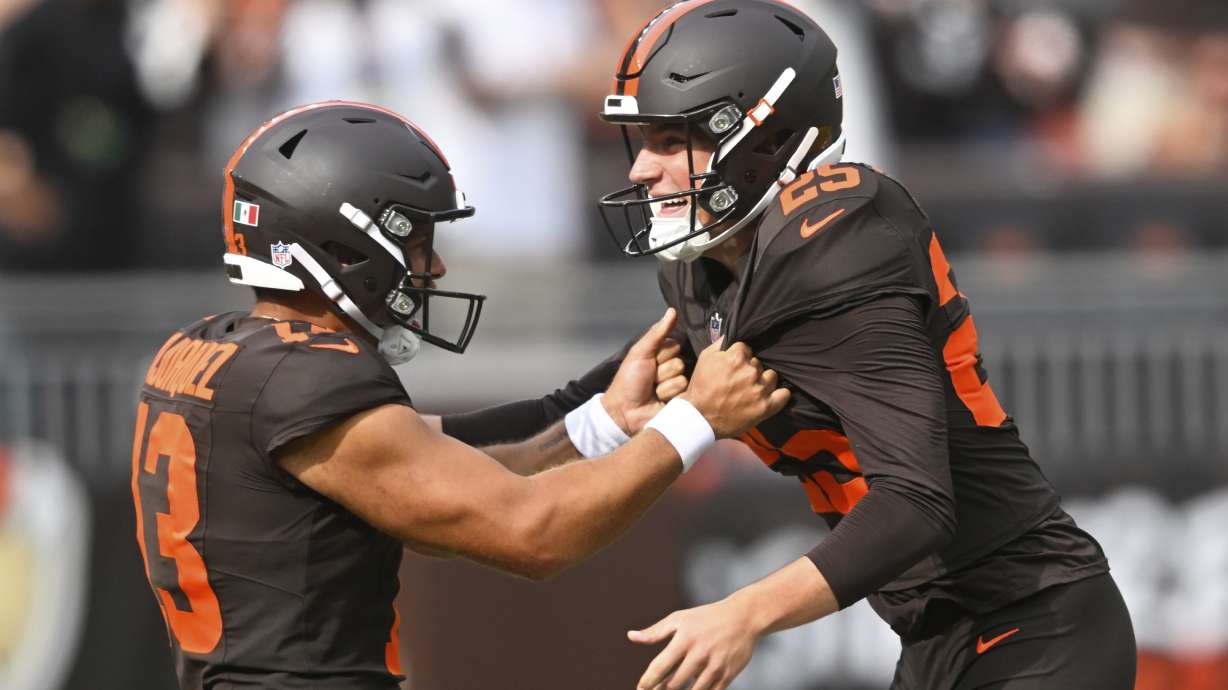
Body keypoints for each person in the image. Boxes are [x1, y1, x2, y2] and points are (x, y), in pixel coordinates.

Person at [439, 2, 1137, 689]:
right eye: (640, 140)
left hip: (1037, 623)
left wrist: (744, 614)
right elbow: (587, 406)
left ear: (761, 138)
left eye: (668, 139)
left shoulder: (839, 241)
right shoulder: (710, 266)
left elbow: (918, 502)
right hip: (938, 637)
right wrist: (414, 441)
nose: (641, 171)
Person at [128, 100, 788, 690]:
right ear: (345, 244)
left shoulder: (206, 350)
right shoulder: (308, 380)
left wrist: (607, 417)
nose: (433, 265)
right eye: (416, 239)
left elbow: (455, 474)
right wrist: (697, 421)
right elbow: (533, 532)